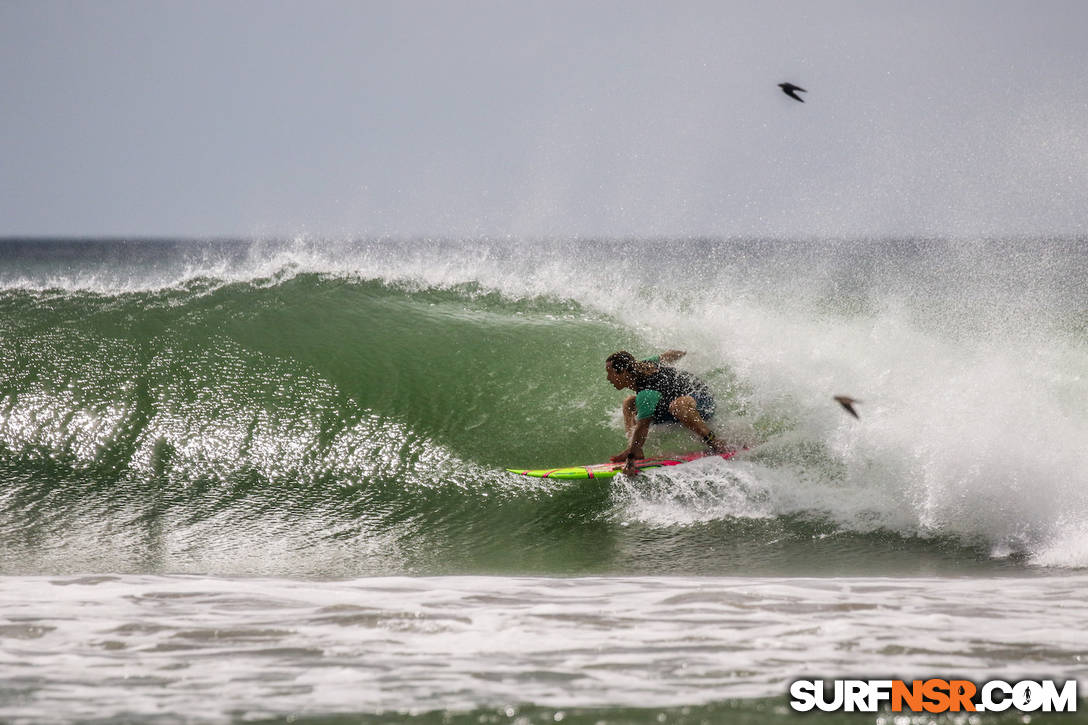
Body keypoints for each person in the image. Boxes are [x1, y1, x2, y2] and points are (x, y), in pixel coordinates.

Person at [605, 349, 729, 476]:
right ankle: (634, 449)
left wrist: (630, 461)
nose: (608, 378)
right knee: (629, 402)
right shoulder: (642, 365)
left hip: (701, 402)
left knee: (678, 405)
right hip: (669, 406)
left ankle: (714, 442)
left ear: (623, 372)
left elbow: (642, 427)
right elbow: (669, 355)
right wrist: (686, 352)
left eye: (610, 373)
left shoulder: (647, 392)